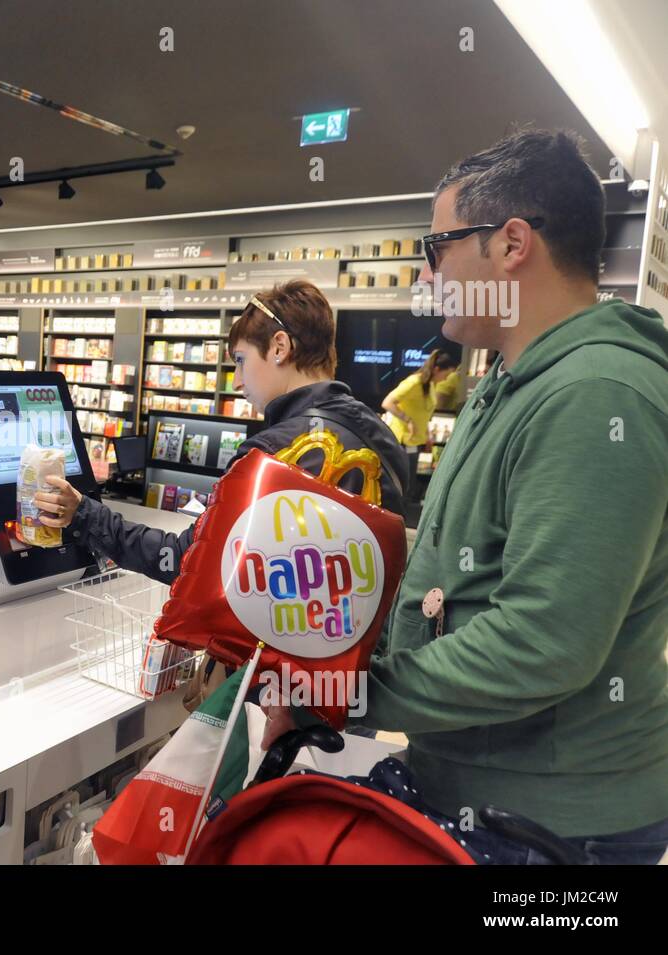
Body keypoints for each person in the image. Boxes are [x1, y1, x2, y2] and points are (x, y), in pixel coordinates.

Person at [266, 129, 668, 864]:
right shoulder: (511, 384)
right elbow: (459, 574)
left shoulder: (594, 394)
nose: (427, 273)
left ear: (512, 243)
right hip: (490, 798)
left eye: (438, 246)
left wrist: (347, 692)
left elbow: (544, 642)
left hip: (553, 830)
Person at [36, 279, 409, 584]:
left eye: (241, 360)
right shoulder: (382, 436)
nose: (236, 381)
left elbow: (186, 559)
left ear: (280, 347)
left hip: (272, 664)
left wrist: (85, 514)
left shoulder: (271, 453)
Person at [381, 347, 460, 513]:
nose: (447, 379)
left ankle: (401, 518)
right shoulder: (414, 382)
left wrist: (427, 435)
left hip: (415, 442)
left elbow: (423, 413)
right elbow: (387, 402)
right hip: (401, 440)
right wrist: (407, 420)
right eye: (446, 374)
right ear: (437, 369)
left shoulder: (431, 385)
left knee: (408, 485)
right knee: (400, 485)